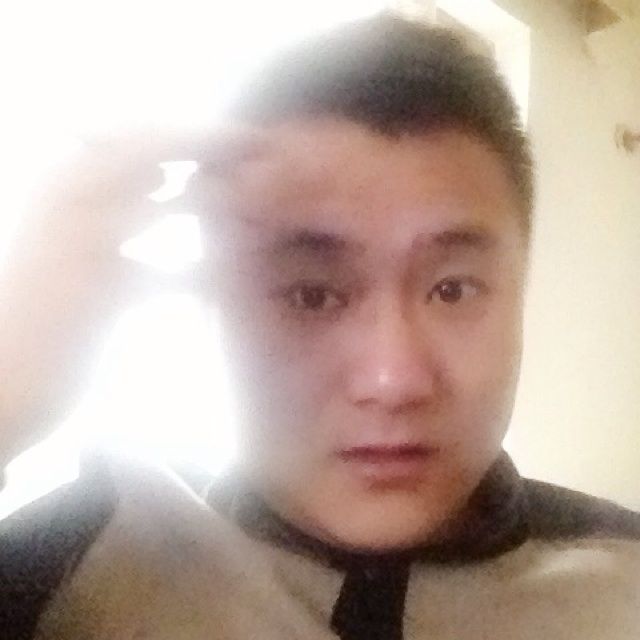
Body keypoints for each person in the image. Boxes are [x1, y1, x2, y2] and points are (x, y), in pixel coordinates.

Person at [1, 12, 639, 640]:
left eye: (452, 290)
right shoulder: (78, 566)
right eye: (311, 295)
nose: (393, 380)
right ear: (215, 304)